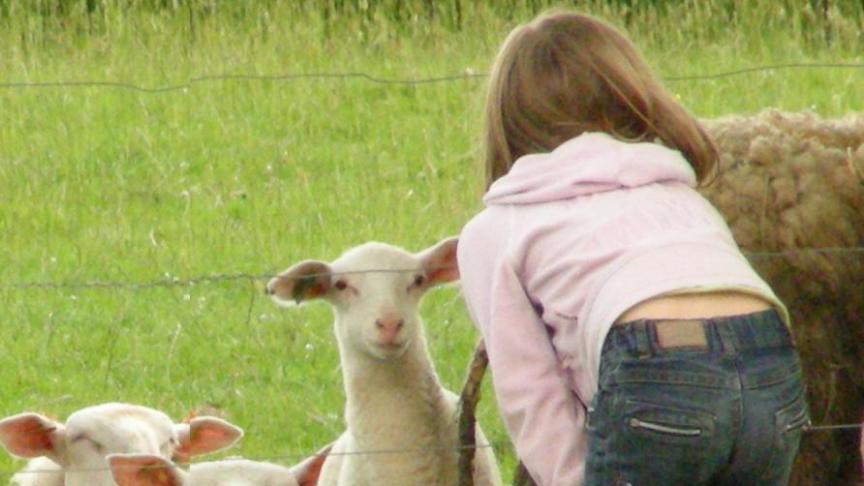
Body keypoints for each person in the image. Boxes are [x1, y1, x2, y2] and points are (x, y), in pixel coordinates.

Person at [456, 10, 809, 486]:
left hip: (656, 364)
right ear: (628, 96)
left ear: (506, 120)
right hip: (770, 355)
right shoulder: (679, 193)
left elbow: (531, 395)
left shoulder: (496, 228)